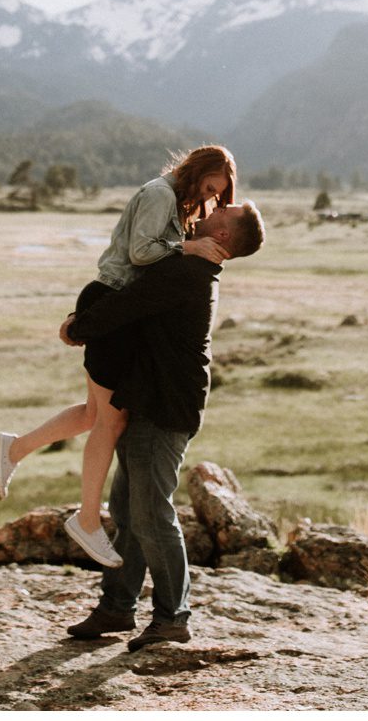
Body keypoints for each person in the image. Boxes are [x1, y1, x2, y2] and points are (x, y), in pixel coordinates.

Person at [0, 146, 238, 567]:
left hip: (115, 303)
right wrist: (190, 248)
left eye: (215, 195)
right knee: (111, 420)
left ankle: (14, 449)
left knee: (95, 413)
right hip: (112, 298)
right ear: (198, 170)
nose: (208, 199)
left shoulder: (172, 200)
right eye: (209, 188)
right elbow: (141, 253)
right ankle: (86, 520)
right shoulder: (160, 194)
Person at [59, 199, 265, 651]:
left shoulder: (188, 272)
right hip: (148, 399)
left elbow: (129, 303)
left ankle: (173, 617)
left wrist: (78, 327)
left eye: (222, 211)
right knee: (128, 510)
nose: (212, 209)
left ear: (223, 235)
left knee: (152, 513)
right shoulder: (193, 265)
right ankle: (117, 606)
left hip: (163, 407)